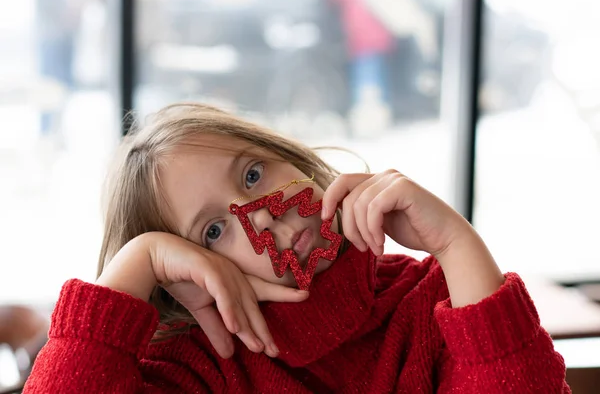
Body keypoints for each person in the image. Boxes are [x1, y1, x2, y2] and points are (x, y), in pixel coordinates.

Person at [24, 103, 570, 393]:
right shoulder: (196, 368)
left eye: (255, 173)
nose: (261, 212)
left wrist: (457, 243)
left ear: (296, 159)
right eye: (213, 231)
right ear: (185, 275)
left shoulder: (438, 304)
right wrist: (136, 263)